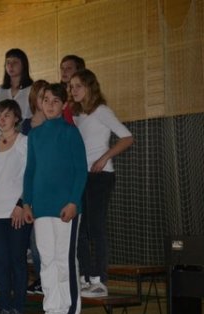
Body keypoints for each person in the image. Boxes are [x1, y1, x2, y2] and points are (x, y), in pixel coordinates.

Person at [23, 83, 88, 314]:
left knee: (64, 259)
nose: (50, 105)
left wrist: (73, 202)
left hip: (65, 209)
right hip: (40, 208)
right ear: (40, 103)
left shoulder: (71, 133)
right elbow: (30, 171)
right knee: (47, 260)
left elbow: (81, 171)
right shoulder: (35, 135)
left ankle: (68, 313)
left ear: (64, 105)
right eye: (46, 100)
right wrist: (27, 203)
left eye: (55, 101)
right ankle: (52, 310)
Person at [70, 69, 134, 298]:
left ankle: (100, 280)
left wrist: (104, 157)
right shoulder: (78, 115)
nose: (74, 90)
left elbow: (127, 137)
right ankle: (86, 277)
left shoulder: (101, 111)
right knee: (80, 228)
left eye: (78, 86)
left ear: (90, 87)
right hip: (82, 176)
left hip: (100, 175)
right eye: (71, 87)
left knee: (95, 227)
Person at [0, 99, 31, 314]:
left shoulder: (24, 142)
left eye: (7, 115)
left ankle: (18, 309)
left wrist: (22, 204)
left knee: (17, 260)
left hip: (16, 211)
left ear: (17, 118)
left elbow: (30, 175)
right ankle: (3, 307)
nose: (2, 119)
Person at [20, 80, 49, 295]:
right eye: (40, 97)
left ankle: (48, 282)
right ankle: (40, 279)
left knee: (44, 241)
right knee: (32, 240)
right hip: (29, 186)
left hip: (48, 187)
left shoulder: (55, 123)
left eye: (47, 97)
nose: (44, 101)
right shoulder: (25, 125)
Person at [0, 48, 34, 121]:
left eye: (15, 62)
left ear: (23, 65)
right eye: (8, 62)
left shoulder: (32, 90)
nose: (11, 66)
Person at [59, 55, 86, 124]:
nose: (64, 71)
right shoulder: (57, 93)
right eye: (62, 68)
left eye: (69, 68)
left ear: (79, 71)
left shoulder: (84, 94)